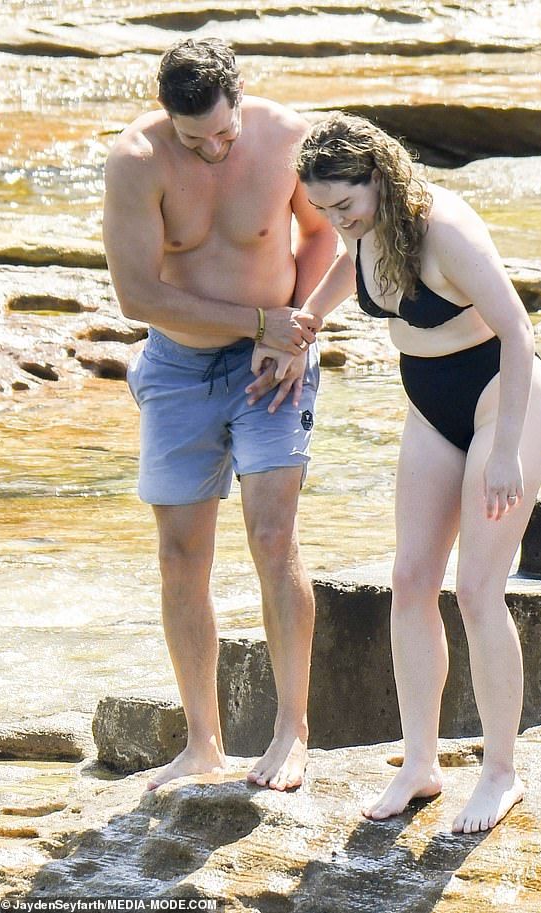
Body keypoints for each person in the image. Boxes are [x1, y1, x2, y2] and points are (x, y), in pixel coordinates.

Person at [290, 112, 541, 833]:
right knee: (410, 581)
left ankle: (500, 771)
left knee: (476, 589)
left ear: (378, 177)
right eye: (321, 209)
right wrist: (307, 321)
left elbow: (518, 331)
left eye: (345, 205)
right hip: (431, 408)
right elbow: (349, 269)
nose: (337, 222)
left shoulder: (445, 229)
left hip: (503, 400)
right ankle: (420, 763)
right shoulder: (360, 227)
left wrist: (505, 450)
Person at [102, 38, 337, 792]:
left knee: (272, 535)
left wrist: (295, 332)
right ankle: (202, 742)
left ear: (240, 99)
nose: (212, 149)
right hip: (178, 366)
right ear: (168, 117)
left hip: (275, 364)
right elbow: (136, 295)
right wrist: (258, 322)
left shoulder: (286, 137)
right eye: (193, 137)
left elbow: (324, 235)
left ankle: (292, 731)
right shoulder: (137, 160)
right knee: (180, 554)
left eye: (223, 134)